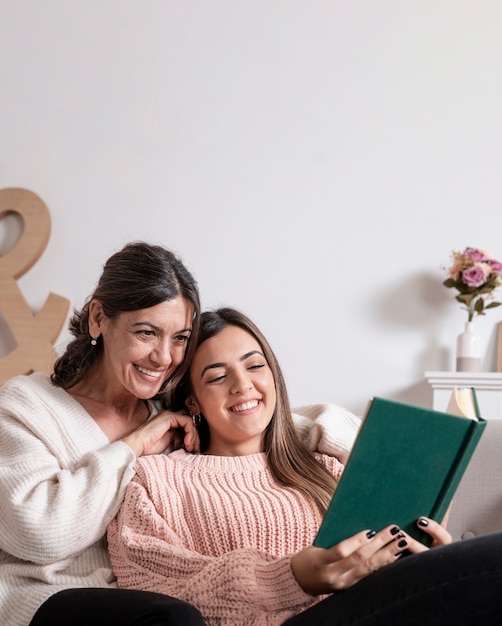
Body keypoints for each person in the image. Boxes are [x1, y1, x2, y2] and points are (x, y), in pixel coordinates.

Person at [107, 306, 502, 626]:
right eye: (217, 376)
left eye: (255, 366)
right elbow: (163, 598)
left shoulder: (323, 465)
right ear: (192, 401)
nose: (242, 385)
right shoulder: (157, 480)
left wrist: (428, 556)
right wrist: (293, 578)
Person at [0, 241, 207, 626]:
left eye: (179, 338)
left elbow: (259, 412)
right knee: (174, 618)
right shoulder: (25, 403)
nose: (164, 357)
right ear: (98, 318)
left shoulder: (172, 412)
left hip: (143, 596)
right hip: (42, 598)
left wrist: (336, 428)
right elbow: (40, 533)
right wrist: (133, 446)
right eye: (147, 332)